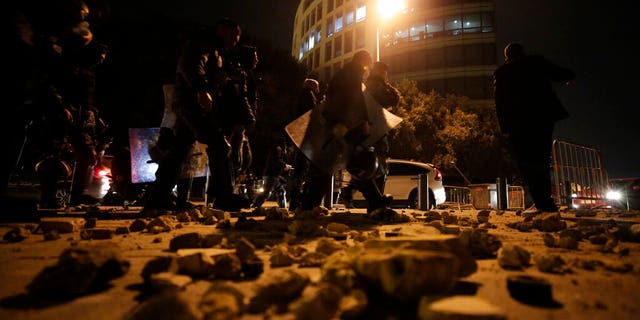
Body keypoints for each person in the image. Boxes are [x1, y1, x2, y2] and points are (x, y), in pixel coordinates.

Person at [143, 18, 252, 214]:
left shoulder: (215, 49)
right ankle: (224, 197)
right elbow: (192, 66)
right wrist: (202, 90)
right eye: (234, 35)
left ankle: (159, 198)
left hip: (192, 103)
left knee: (179, 151)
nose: (235, 40)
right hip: (191, 103)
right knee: (219, 144)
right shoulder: (203, 45)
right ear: (222, 30)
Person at [300, 50, 392, 214]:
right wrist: (359, 121)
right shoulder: (352, 73)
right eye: (368, 62)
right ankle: (308, 206)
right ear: (363, 61)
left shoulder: (346, 73)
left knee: (352, 162)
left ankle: (375, 200)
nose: (368, 67)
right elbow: (352, 99)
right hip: (342, 126)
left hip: (340, 125)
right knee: (335, 165)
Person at [492, 42, 576, 216]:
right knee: (541, 159)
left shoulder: (503, 73)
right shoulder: (536, 62)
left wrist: (504, 128)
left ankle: (542, 203)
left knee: (527, 163)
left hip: (519, 124)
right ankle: (546, 203)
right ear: (524, 53)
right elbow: (558, 73)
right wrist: (570, 76)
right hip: (543, 119)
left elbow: (500, 103)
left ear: (507, 57)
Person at [340, 61, 401, 208]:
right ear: (381, 71)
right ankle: (375, 204)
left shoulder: (368, 85)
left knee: (369, 165)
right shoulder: (377, 86)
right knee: (378, 166)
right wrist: (389, 87)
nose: (386, 75)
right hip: (375, 131)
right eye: (385, 72)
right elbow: (393, 99)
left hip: (370, 130)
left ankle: (351, 192)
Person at [288, 78, 321, 211]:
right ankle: (298, 200)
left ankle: (295, 200)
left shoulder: (301, 96)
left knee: (300, 167)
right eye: (317, 86)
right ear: (313, 86)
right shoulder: (309, 96)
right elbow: (312, 114)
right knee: (304, 168)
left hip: (300, 135)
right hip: (305, 135)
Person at [251, 144, 292, 209]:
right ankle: (255, 206)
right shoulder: (277, 149)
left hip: (271, 176)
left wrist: (284, 166)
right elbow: (276, 161)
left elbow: (276, 161)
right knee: (267, 192)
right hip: (271, 176)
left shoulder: (276, 150)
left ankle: (282, 208)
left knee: (280, 191)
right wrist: (285, 165)